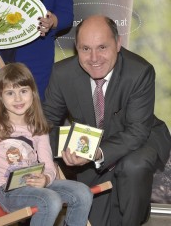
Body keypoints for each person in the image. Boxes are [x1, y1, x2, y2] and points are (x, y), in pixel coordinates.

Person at [43, 15, 171, 226]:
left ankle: (135, 213)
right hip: (91, 144)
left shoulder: (139, 72)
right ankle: (132, 202)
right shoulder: (62, 73)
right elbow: (47, 123)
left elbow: (137, 132)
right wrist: (65, 149)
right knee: (99, 220)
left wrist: (98, 152)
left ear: (118, 44)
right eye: (85, 49)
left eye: (102, 47)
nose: (94, 58)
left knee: (133, 166)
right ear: (76, 47)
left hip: (140, 137)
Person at [0, 62, 93, 226]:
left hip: (37, 185)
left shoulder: (37, 126)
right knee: (50, 201)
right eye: (10, 93)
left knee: (83, 192)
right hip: (8, 191)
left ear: (33, 93)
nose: (18, 98)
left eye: (23, 91)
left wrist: (46, 178)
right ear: (0, 97)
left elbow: (48, 164)